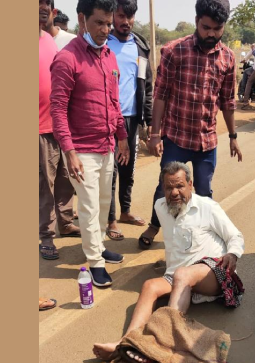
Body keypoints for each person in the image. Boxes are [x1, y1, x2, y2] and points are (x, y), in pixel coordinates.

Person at [93, 162, 245, 363]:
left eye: (180, 186)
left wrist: (233, 255)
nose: (174, 192)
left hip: (213, 273)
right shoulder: (160, 207)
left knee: (182, 274)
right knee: (150, 286)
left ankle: (164, 344)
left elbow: (234, 235)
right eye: (168, 187)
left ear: (191, 184)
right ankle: (126, 342)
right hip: (178, 274)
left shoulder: (207, 207)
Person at [140, 0, 241, 250]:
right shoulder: (175, 51)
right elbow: (161, 94)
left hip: (206, 141)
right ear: (197, 21)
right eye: (206, 27)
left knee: (204, 194)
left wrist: (233, 135)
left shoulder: (228, 58)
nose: (211, 34)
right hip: (175, 138)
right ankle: (155, 225)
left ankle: (198, 239)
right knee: (168, 188)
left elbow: (227, 101)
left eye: (217, 29)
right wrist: (155, 135)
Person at [50, 0, 130, 288]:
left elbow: (114, 102)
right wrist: (69, 152)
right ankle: (94, 261)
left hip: (106, 145)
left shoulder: (108, 55)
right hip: (81, 149)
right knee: (88, 206)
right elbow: (57, 108)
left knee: (104, 202)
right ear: (82, 19)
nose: (105, 29)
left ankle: (98, 247)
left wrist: (122, 137)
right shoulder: (67, 59)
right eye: (99, 23)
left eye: (108, 23)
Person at [104, 0, 153, 241]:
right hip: (108, 117)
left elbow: (148, 86)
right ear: (113, 15)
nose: (126, 22)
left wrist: (149, 118)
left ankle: (125, 211)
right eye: (122, 16)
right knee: (109, 171)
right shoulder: (103, 43)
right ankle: (111, 219)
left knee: (128, 168)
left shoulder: (141, 46)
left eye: (130, 17)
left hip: (132, 118)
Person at [39, 18, 79, 262]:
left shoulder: (51, 42)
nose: (41, 7)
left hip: (62, 124)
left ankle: (65, 222)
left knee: (66, 179)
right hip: (40, 126)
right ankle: (46, 234)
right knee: (45, 184)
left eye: (46, 2)